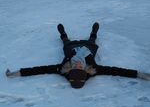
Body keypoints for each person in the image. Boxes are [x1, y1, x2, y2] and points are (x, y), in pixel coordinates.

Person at [6, 22, 150, 88]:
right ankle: (94, 31)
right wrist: (141, 75)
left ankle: (62, 33)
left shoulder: (62, 68)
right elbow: (117, 71)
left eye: (76, 66)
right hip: (87, 48)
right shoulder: (94, 69)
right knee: (92, 42)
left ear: (70, 70)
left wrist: (17, 73)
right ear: (85, 71)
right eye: (81, 67)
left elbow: (40, 69)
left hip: (71, 48)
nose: (78, 64)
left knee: (66, 43)